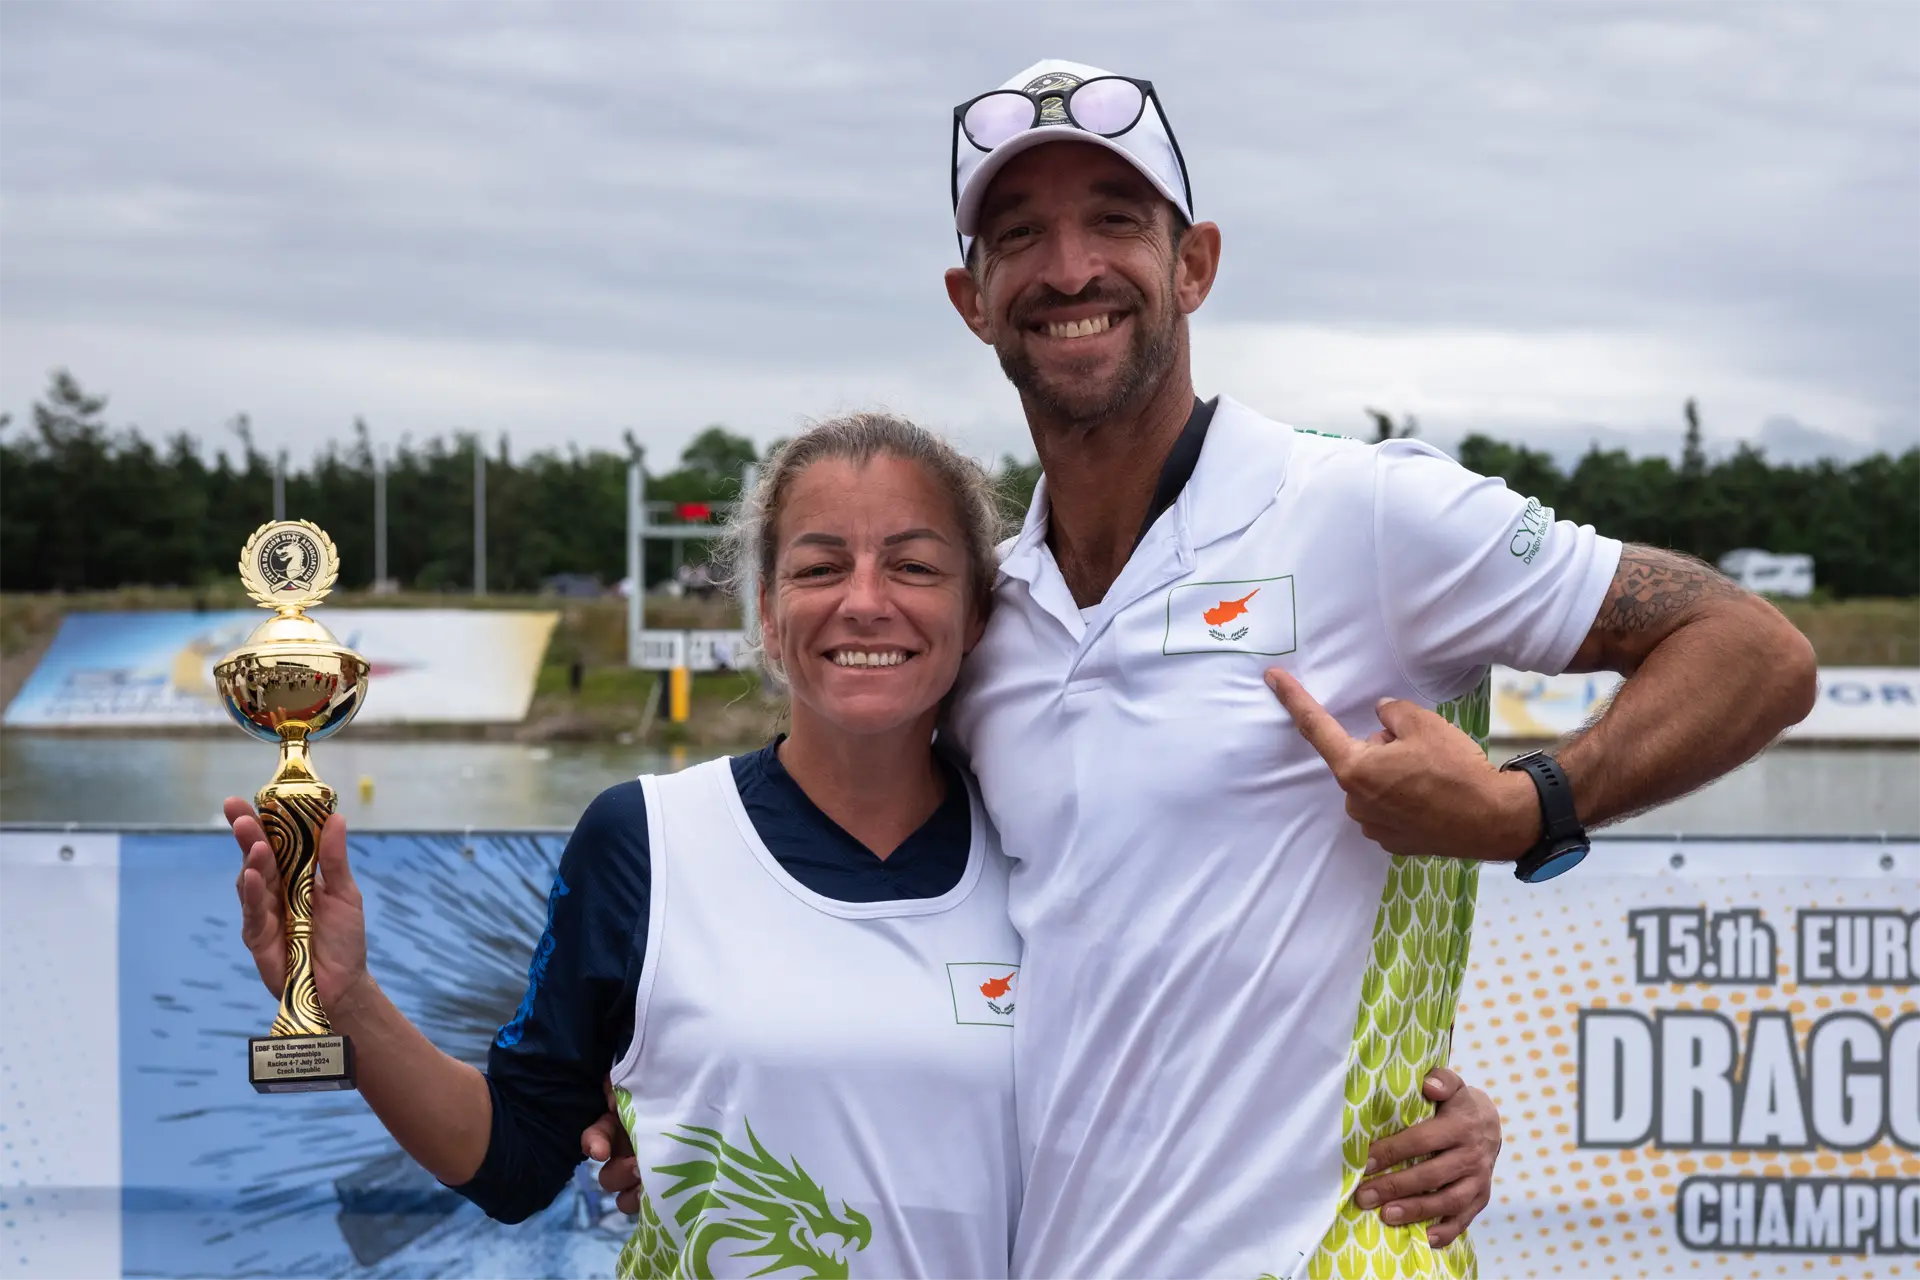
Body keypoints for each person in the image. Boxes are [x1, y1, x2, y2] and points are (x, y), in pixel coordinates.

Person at [606, 56, 1818, 1280]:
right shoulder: (990, 620)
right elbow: (917, 932)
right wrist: (683, 1096)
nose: (1070, 265)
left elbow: (1753, 651)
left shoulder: (1367, 511)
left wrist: (1524, 806)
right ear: (973, 297)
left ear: (1196, 264)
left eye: (1116, 221)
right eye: (1020, 234)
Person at [226, 413, 1502, 1278]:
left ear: (978, 610)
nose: (865, 600)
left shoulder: (1056, 845)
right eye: (819, 564)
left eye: (915, 564)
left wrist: (1439, 1118)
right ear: (769, 616)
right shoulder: (648, 840)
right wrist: (345, 1001)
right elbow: (514, 1157)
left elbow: (1228, 1049)